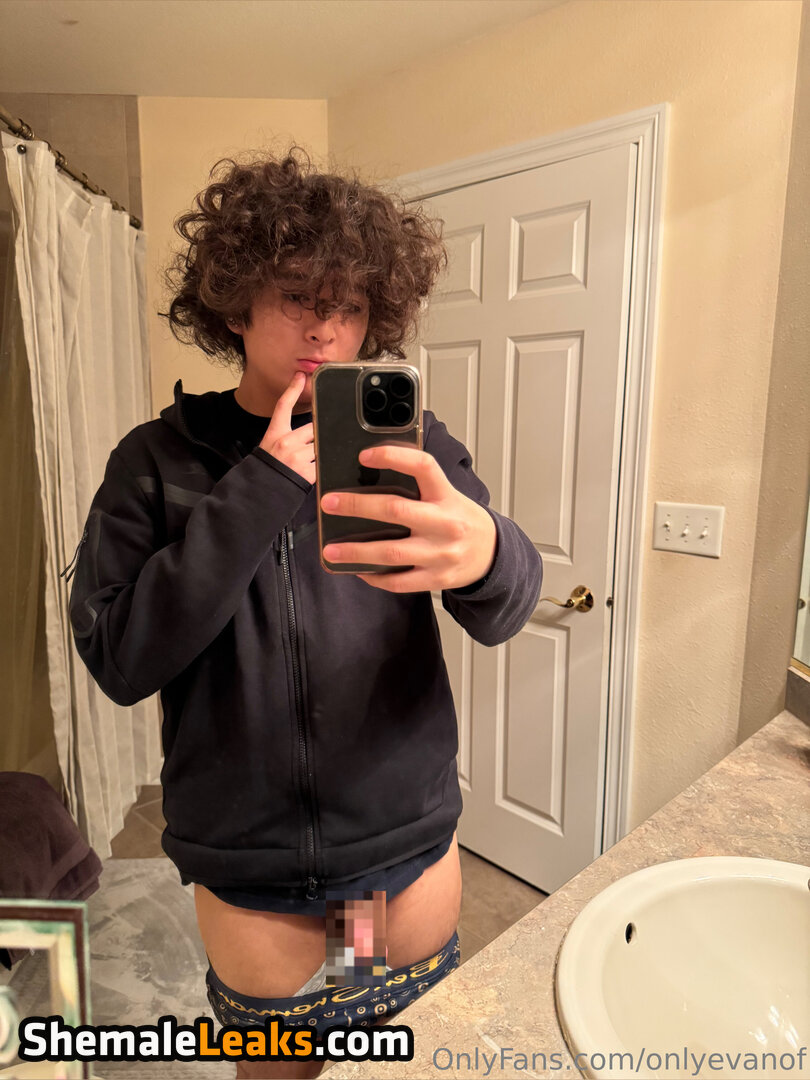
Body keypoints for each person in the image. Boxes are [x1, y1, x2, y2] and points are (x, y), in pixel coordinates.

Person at [68, 146, 543, 1078]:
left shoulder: (408, 444)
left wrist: (490, 551)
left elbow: (503, 609)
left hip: (397, 859)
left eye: (351, 304)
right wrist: (262, 485)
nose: (326, 326)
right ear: (234, 304)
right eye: (296, 296)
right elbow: (120, 660)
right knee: (281, 1068)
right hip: (254, 878)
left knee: (375, 1053)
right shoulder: (156, 461)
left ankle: (351, 977)